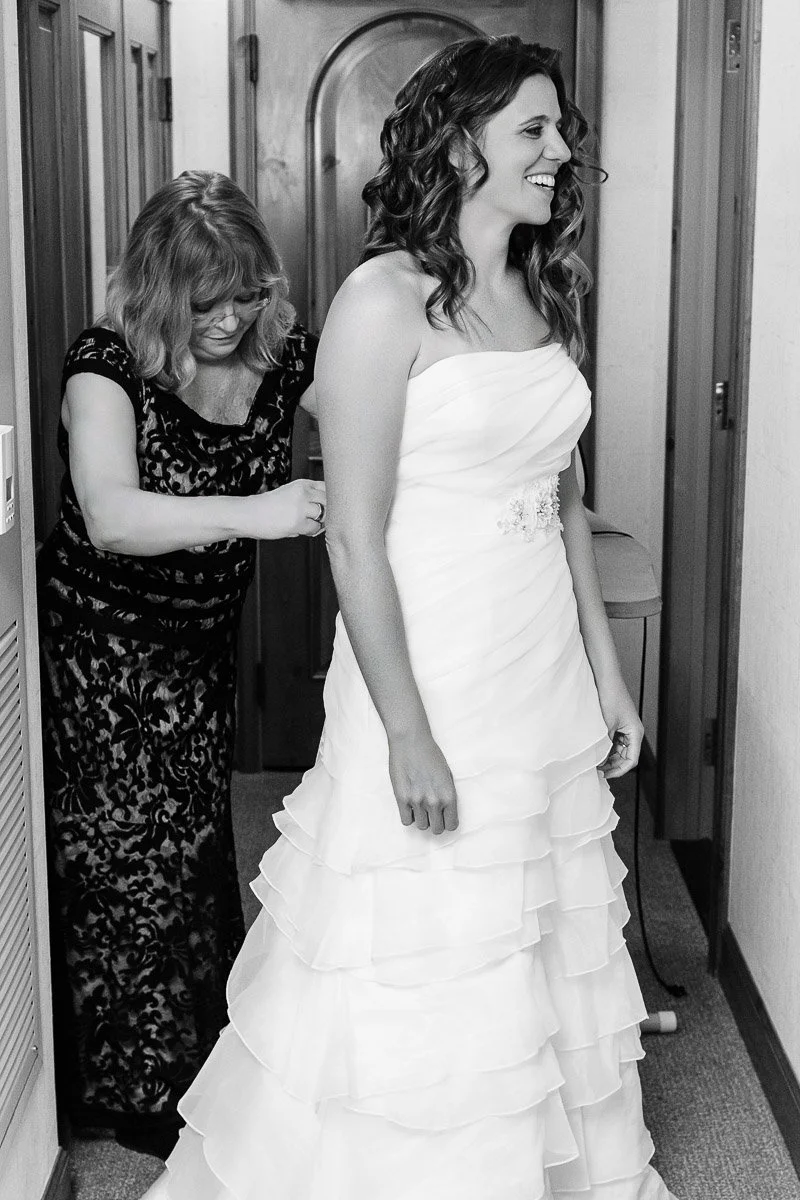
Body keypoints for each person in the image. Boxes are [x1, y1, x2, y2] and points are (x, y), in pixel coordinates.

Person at [143, 36, 679, 1198]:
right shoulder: (381, 300)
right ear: (460, 143)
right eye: (532, 131)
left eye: (560, 133)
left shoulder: (545, 287)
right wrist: (405, 730)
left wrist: (606, 675)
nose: (557, 153)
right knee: (423, 932)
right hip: (427, 666)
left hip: (534, 657)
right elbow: (353, 531)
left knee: (531, 918)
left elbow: (562, 495)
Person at [38, 170, 325, 1160]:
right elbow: (113, 514)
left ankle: (197, 1068)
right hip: (103, 658)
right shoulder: (105, 363)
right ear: (160, 290)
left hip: (196, 655)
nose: (229, 318)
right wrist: (260, 512)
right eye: (207, 302)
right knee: (127, 870)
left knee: (194, 853)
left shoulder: (276, 349)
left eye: (248, 293)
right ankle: (132, 1093)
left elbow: (386, 391)